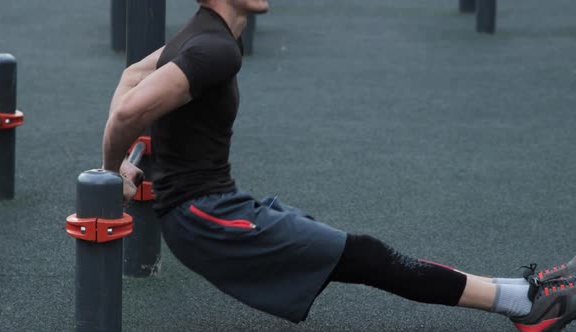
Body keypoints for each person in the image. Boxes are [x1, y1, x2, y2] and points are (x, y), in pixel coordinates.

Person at [101, 0, 576, 331]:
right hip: (206, 217)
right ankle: (527, 304)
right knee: (367, 257)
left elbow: (131, 77)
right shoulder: (214, 49)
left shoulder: (205, 36)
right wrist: (111, 169)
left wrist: (121, 159)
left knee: (358, 258)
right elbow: (128, 110)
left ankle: (521, 291)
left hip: (216, 207)